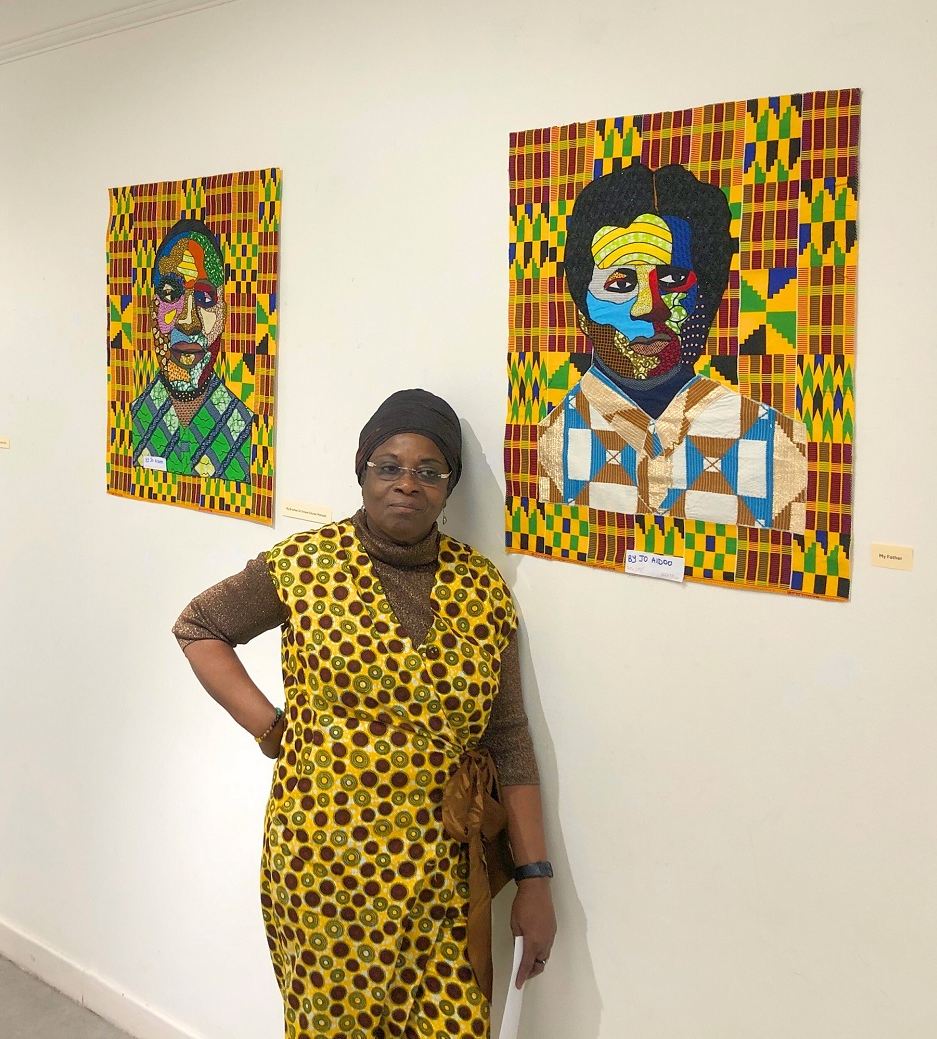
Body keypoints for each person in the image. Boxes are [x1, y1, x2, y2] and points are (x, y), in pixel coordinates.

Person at [175, 389, 557, 1037]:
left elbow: (509, 739)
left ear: (449, 486)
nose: (407, 484)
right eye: (388, 465)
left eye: (429, 471)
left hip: (440, 877)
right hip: (326, 872)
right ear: (362, 471)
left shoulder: (481, 587)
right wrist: (270, 726)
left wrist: (535, 878)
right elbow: (200, 625)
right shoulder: (303, 565)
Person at [538, 162, 808, 532]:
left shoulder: (779, 443)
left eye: (672, 279)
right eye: (620, 283)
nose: (651, 307)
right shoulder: (547, 442)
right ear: (580, 307)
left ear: (704, 297)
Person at [131, 218, 253, 480]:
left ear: (224, 312)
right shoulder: (133, 420)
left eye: (205, 297)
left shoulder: (244, 426)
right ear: (152, 308)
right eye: (169, 294)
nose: (188, 321)